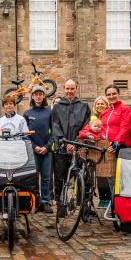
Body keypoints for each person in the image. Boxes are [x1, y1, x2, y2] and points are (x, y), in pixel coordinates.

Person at [52, 79, 90, 209]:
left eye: (72, 88)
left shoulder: (84, 106)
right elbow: (55, 126)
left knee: (81, 177)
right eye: (67, 88)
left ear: (76, 89)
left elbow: (86, 126)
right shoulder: (57, 107)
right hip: (62, 148)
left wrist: (76, 143)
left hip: (78, 148)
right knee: (60, 178)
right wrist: (65, 142)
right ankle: (60, 204)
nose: (69, 91)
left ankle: (82, 205)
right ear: (64, 89)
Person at [97, 84, 131, 207]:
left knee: (121, 178)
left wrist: (117, 142)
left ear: (118, 94)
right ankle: (115, 204)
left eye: (113, 94)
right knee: (111, 178)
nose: (111, 96)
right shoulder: (105, 112)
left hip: (120, 147)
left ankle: (124, 204)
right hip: (107, 147)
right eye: (108, 94)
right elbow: (100, 129)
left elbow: (125, 127)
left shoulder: (125, 109)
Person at [23, 85, 53, 213]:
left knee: (46, 177)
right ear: (33, 96)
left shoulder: (49, 112)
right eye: (36, 94)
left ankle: (45, 202)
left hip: (46, 150)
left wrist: (47, 147)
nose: (38, 96)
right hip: (33, 150)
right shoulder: (27, 113)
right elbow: (25, 134)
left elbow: (55, 132)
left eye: (41, 94)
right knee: (34, 177)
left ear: (44, 96)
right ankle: (35, 201)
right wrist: (34, 147)